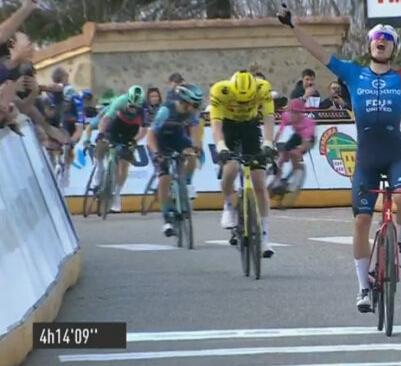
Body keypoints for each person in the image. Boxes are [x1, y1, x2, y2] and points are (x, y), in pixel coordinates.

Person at [278, 3, 401, 312]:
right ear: (370, 45)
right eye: (376, 37)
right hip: (367, 158)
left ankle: (400, 244)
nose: (381, 41)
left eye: (387, 38)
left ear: (393, 48)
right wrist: (293, 25)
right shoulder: (353, 74)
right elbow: (318, 52)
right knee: (361, 220)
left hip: (394, 152)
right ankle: (363, 287)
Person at [209, 72, 277, 257]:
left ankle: (264, 236)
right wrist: (221, 146)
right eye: (239, 101)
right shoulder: (220, 90)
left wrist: (268, 143)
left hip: (250, 126)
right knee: (230, 169)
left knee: (259, 184)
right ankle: (229, 205)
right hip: (228, 126)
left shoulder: (263, 88)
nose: (243, 104)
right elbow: (216, 123)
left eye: (247, 101)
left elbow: (269, 117)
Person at [147, 84, 204, 237]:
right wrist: (156, 153)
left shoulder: (191, 113)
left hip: (177, 139)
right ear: (184, 102)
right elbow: (151, 136)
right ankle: (167, 216)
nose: (197, 108)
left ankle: (187, 184)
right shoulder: (165, 111)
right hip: (159, 142)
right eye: (195, 105)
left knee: (191, 155)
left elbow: (195, 134)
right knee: (165, 178)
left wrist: (197, 148)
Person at [95, 86, 148, 212]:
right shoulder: (120, 101)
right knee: (102, 143)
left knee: (124, 163)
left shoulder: (144, 109)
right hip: (116, 124)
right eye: (131, 106)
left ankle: (117, 195)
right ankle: (99, 167)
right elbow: (105, 119)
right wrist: (101, 133)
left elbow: (144, 130)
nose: (133, 109)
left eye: (136, 107)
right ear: (127, 100)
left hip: (131, 130)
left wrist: (134, 141)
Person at [271, 98, 316, 191]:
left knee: (294, 154)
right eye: (291, 112)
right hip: (298, 135)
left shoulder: (307, 123)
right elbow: (280, 131)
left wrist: (299, 151)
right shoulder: (286, 116)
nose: (292, 115)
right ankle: (276, 180)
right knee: (282, 158)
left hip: (309, 139)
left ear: (301, 114)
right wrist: (273, 142)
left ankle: (296, 179)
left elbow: (305, 143)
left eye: (295, 113)